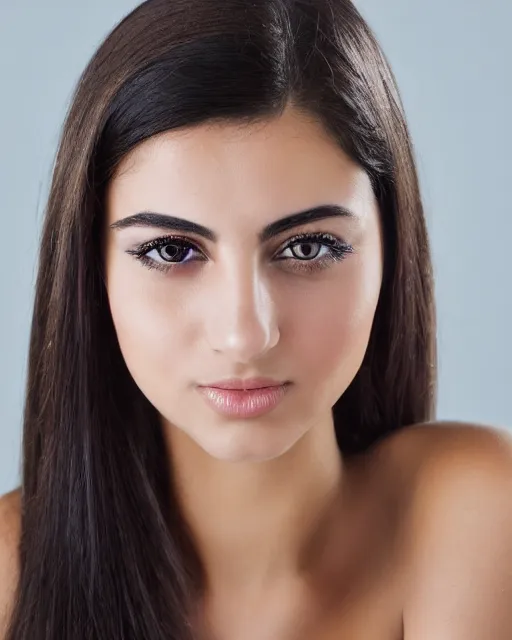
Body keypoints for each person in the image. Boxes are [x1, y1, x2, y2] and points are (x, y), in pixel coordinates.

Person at [0, 0, 511, 638]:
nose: (245, 334)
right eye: (171, 250)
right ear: (90, 268)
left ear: (391, 249)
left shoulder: (476, 515)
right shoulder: (8, 581)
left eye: (307, 247)